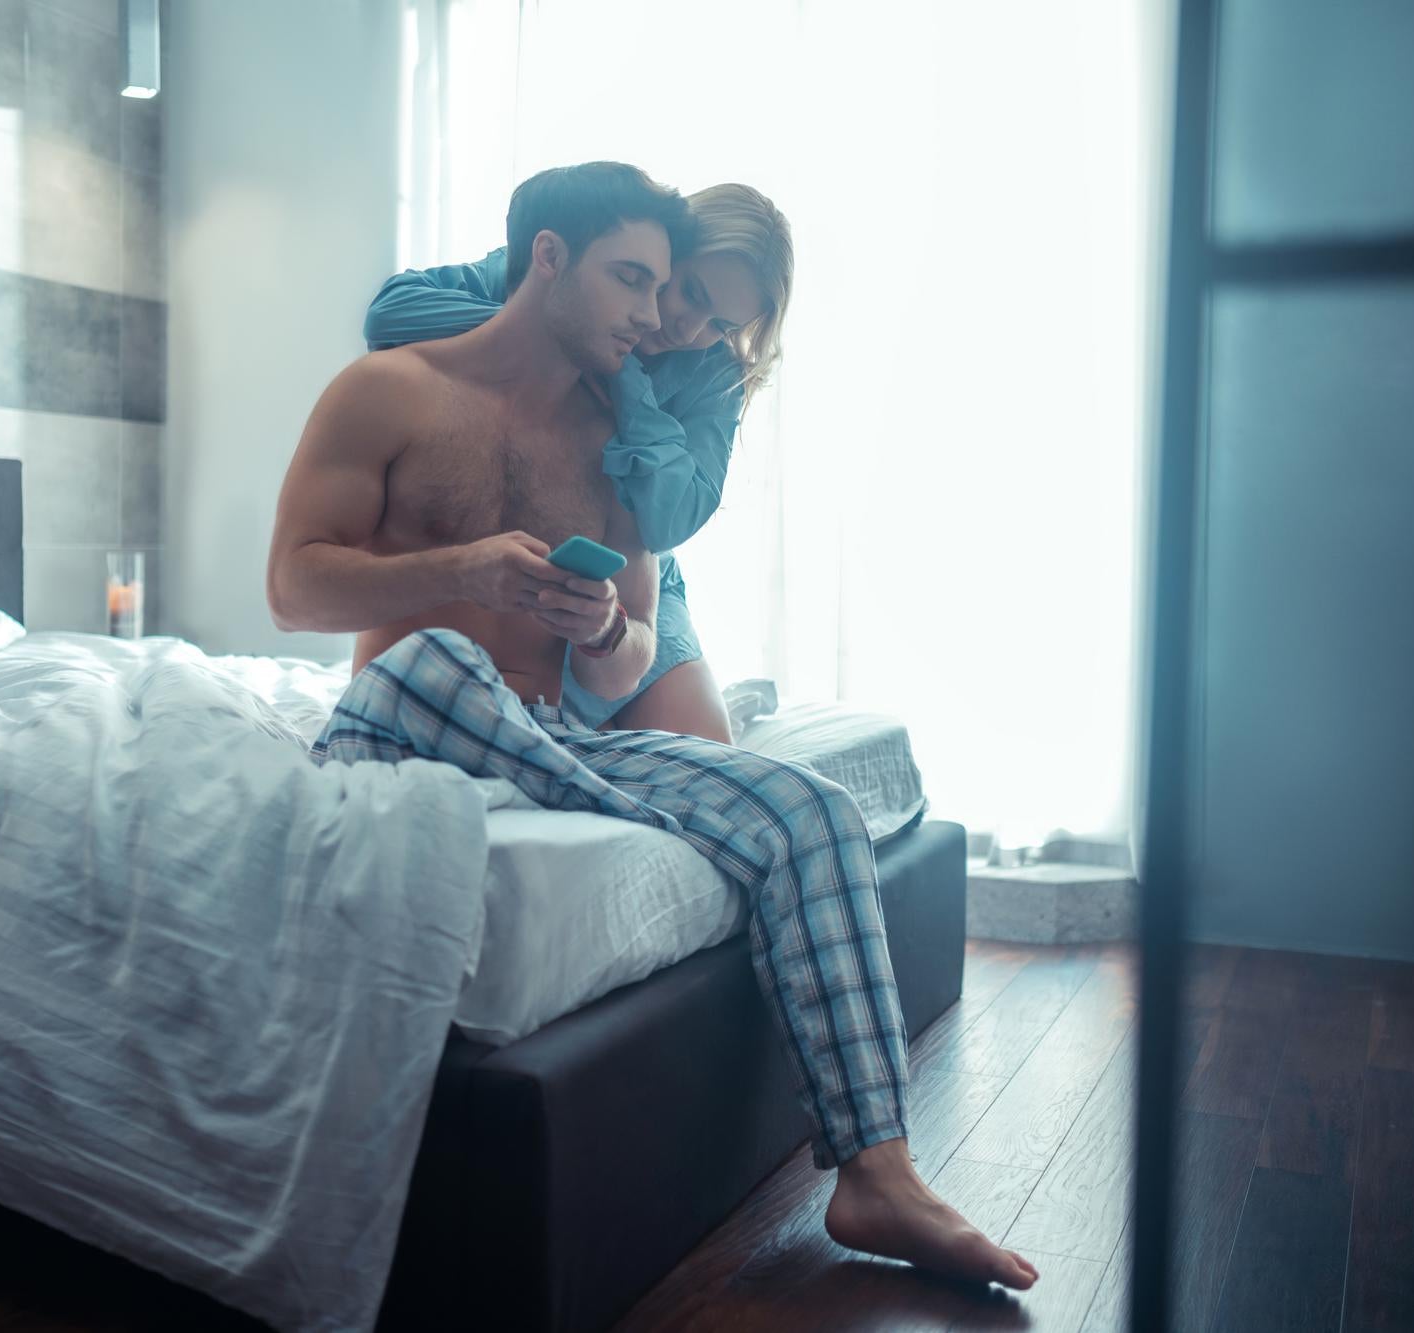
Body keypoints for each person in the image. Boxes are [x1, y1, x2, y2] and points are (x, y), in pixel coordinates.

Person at [266, 161, 1037, 1291]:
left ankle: (876, 1169)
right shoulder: (388, 387)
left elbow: (628, 649)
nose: (656, 317)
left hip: (546, 742)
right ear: (545, 260)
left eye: (668, 288)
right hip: (401, 721)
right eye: (632, 279)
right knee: (444, 658)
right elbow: (293, 586)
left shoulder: (619, 437)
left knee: (806, 809)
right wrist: (465, 567)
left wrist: (603, 629)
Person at [363, 182, 792, 744]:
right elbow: (390, 317)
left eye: (723, 325)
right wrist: (555, 335)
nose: (690, 328)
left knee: (714, 758)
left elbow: (671, 522)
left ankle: (600, 721)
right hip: (509, 550)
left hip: (634, 584)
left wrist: (618, 376)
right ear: (666, 251)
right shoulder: (560, 273)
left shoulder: (714, 373)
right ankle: (595, 726)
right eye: (690, 291)